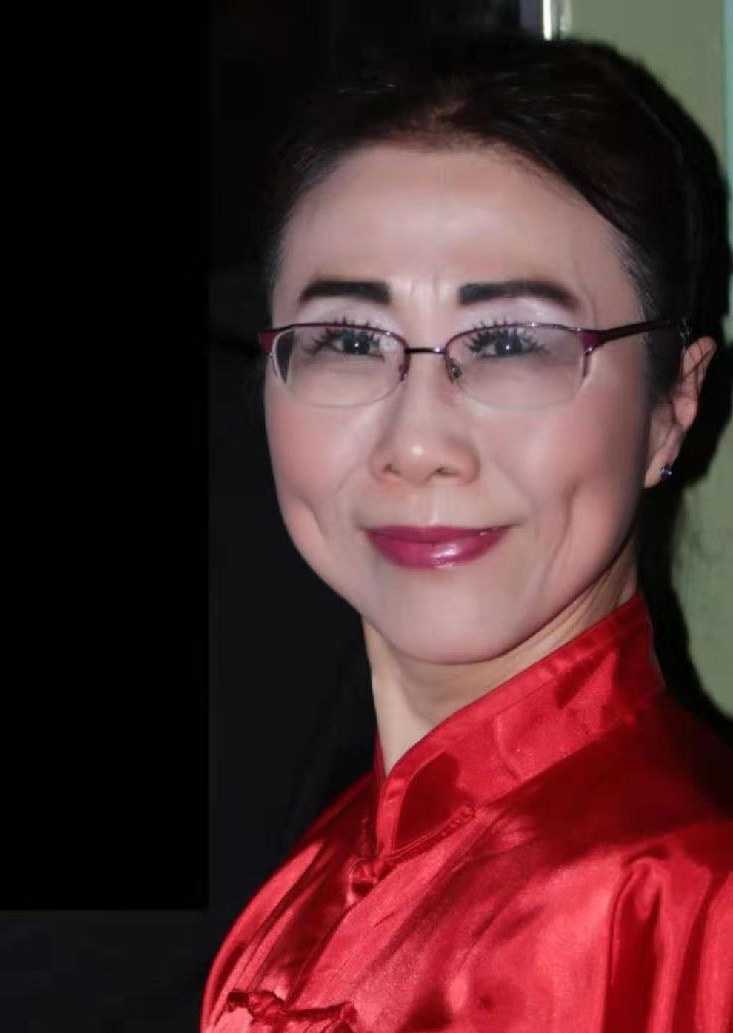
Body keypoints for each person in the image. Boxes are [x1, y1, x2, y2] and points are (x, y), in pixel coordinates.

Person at [202, 35, 732, 1032]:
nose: (416, 445)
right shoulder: (301, 895)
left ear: (674, 404)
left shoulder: (689, 908)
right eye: (346, 341)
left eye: (509, 344)